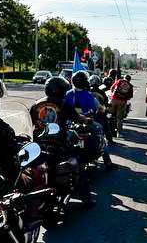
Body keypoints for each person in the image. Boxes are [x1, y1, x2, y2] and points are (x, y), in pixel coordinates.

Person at [29, 76, 95, 206]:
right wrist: (88, 120)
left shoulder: (36, 105)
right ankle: (86, 199)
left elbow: (29, 123)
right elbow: (78, 118)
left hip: (38, 145)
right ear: (61, 91)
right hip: (59, 144)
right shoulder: (63, 104)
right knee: (79, 164)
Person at [65, 71, 117, 170]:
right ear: (85, 82)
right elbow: (98, 108)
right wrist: (102, 109)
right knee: (101, 134)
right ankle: (108, 162)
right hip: (86, 123)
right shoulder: (89, 95)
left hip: (70, 124)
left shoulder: (68, 94)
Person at [107, 69, 133, 137]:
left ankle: (107, 131)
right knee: (120, 118)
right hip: (122, 102)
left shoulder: (119, 81)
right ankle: (119, 133)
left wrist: (113, 94)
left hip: (113, 100)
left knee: (108, 115)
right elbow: (130, 96)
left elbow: (111, 88)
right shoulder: (130, 85)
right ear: (129, 80)